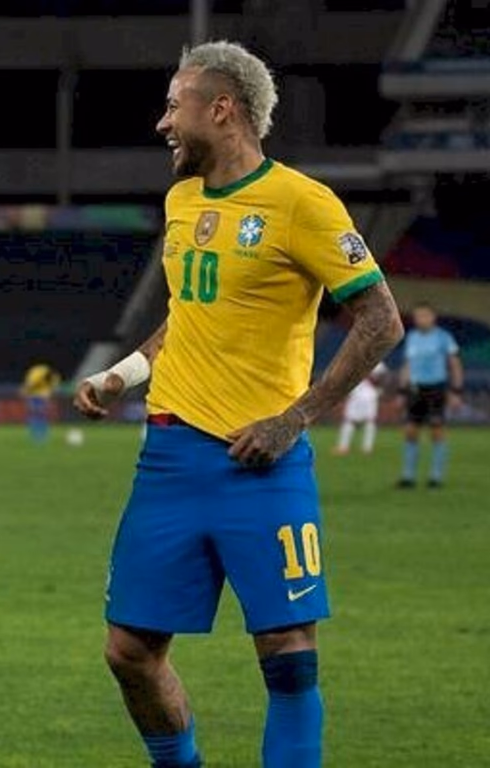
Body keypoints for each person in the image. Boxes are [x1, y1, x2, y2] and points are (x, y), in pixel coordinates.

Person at [74, 41, 403, 768]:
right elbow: (188, 314)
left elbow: (382, 319)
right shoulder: (182, 198)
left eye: (173, 105)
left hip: (261, 462)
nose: (163, 123)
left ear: (221, 109)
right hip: (168, 460)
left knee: (286, 653)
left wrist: (294, 419)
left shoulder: (301, 203)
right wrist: (123, 376)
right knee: (129, 650)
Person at [396, 302, 464, 488]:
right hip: (415, 390)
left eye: (425, 316)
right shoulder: (412, 337)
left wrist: (456, 390)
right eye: (418, 316)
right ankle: (408, 476)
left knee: (436, 431)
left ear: (433, 317)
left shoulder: (443, 337)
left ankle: (436, 476)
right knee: (410, 432)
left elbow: (454, 364)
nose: (421, 319)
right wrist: (401, 391)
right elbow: (407, 365)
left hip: (436, 389)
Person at [333, 361, 387, 455]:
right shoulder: (377, 361)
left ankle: (344, 447)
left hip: (360, 393)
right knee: (369, 421)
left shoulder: (362, 359)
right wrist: (379, 389)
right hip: (365, 393)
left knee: (351, 421)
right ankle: (367, 448)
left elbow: (382, 377)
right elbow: (384, 376)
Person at [20, 362, 61, 442]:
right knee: (35, 414)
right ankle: (35, 435)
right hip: (33, 396)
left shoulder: (54, 376)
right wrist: (24, 392)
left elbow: (54, 387)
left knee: (42, 415)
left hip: (43, 397)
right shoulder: (37, 373)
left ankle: (42, 436)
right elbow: (29, 385)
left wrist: (48, 395)